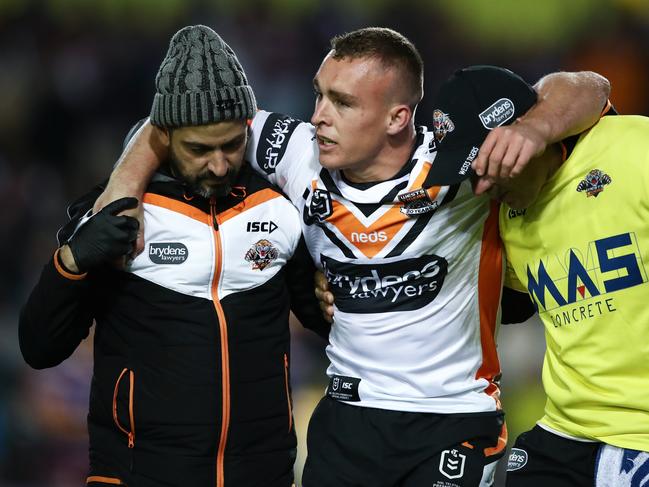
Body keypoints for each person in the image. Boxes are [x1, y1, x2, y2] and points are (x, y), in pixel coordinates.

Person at [95, 28, 610, 486]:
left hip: (453, 419)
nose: (318, 116)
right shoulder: (295, 152)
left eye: (342, 103)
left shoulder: (460, 165)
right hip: (346, 417)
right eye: (319, 94)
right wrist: (121, 191)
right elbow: (175, 123)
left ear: (397, 117)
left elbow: (590, 88)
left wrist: (534, 129)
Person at [19, 25, 329, 487]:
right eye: (199, 149)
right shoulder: (116, 212)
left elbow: (327, 323)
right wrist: (72, 263)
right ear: (162, 135)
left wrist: (334, 292)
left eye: (231, 144)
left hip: (262, 474)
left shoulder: (280, 208)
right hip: (137, 475)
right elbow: (40, 347)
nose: (220, 164)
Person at [318, 64, 648, 487]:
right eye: (469, 174)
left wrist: (540, 124)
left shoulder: (633, 149)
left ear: (517, 135)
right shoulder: (505, 218)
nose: (479, 187)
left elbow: (589, 85)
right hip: (568, 432)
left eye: (484, 166)